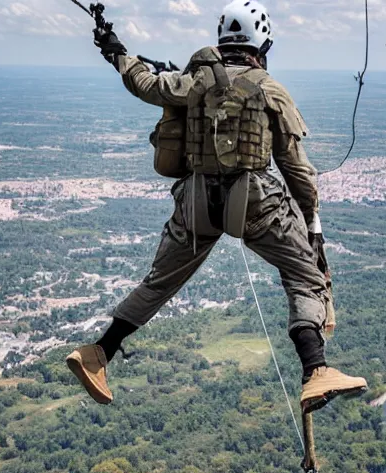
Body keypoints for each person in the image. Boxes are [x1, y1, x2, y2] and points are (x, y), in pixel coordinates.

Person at [66, 0, 367, 414]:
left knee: (159, 283)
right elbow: (296, 168)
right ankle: (315, 370)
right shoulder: (269, 89)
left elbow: (143, 83)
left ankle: (99, 353)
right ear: (263, 44)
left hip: (194, 203)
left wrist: (115, 50)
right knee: (306, 276)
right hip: (254, 203)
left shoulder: (191, 82)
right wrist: (311, 221)